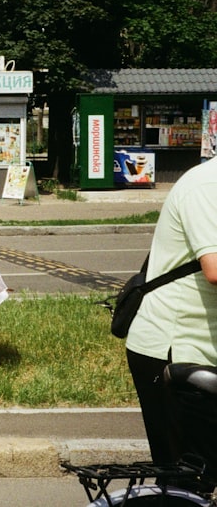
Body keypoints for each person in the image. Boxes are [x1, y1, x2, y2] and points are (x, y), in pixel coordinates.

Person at [126, 155, 217, 468]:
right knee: (187, 478)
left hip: (205, 346)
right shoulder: (207, 185)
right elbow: (215, 270)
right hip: (175, 350)